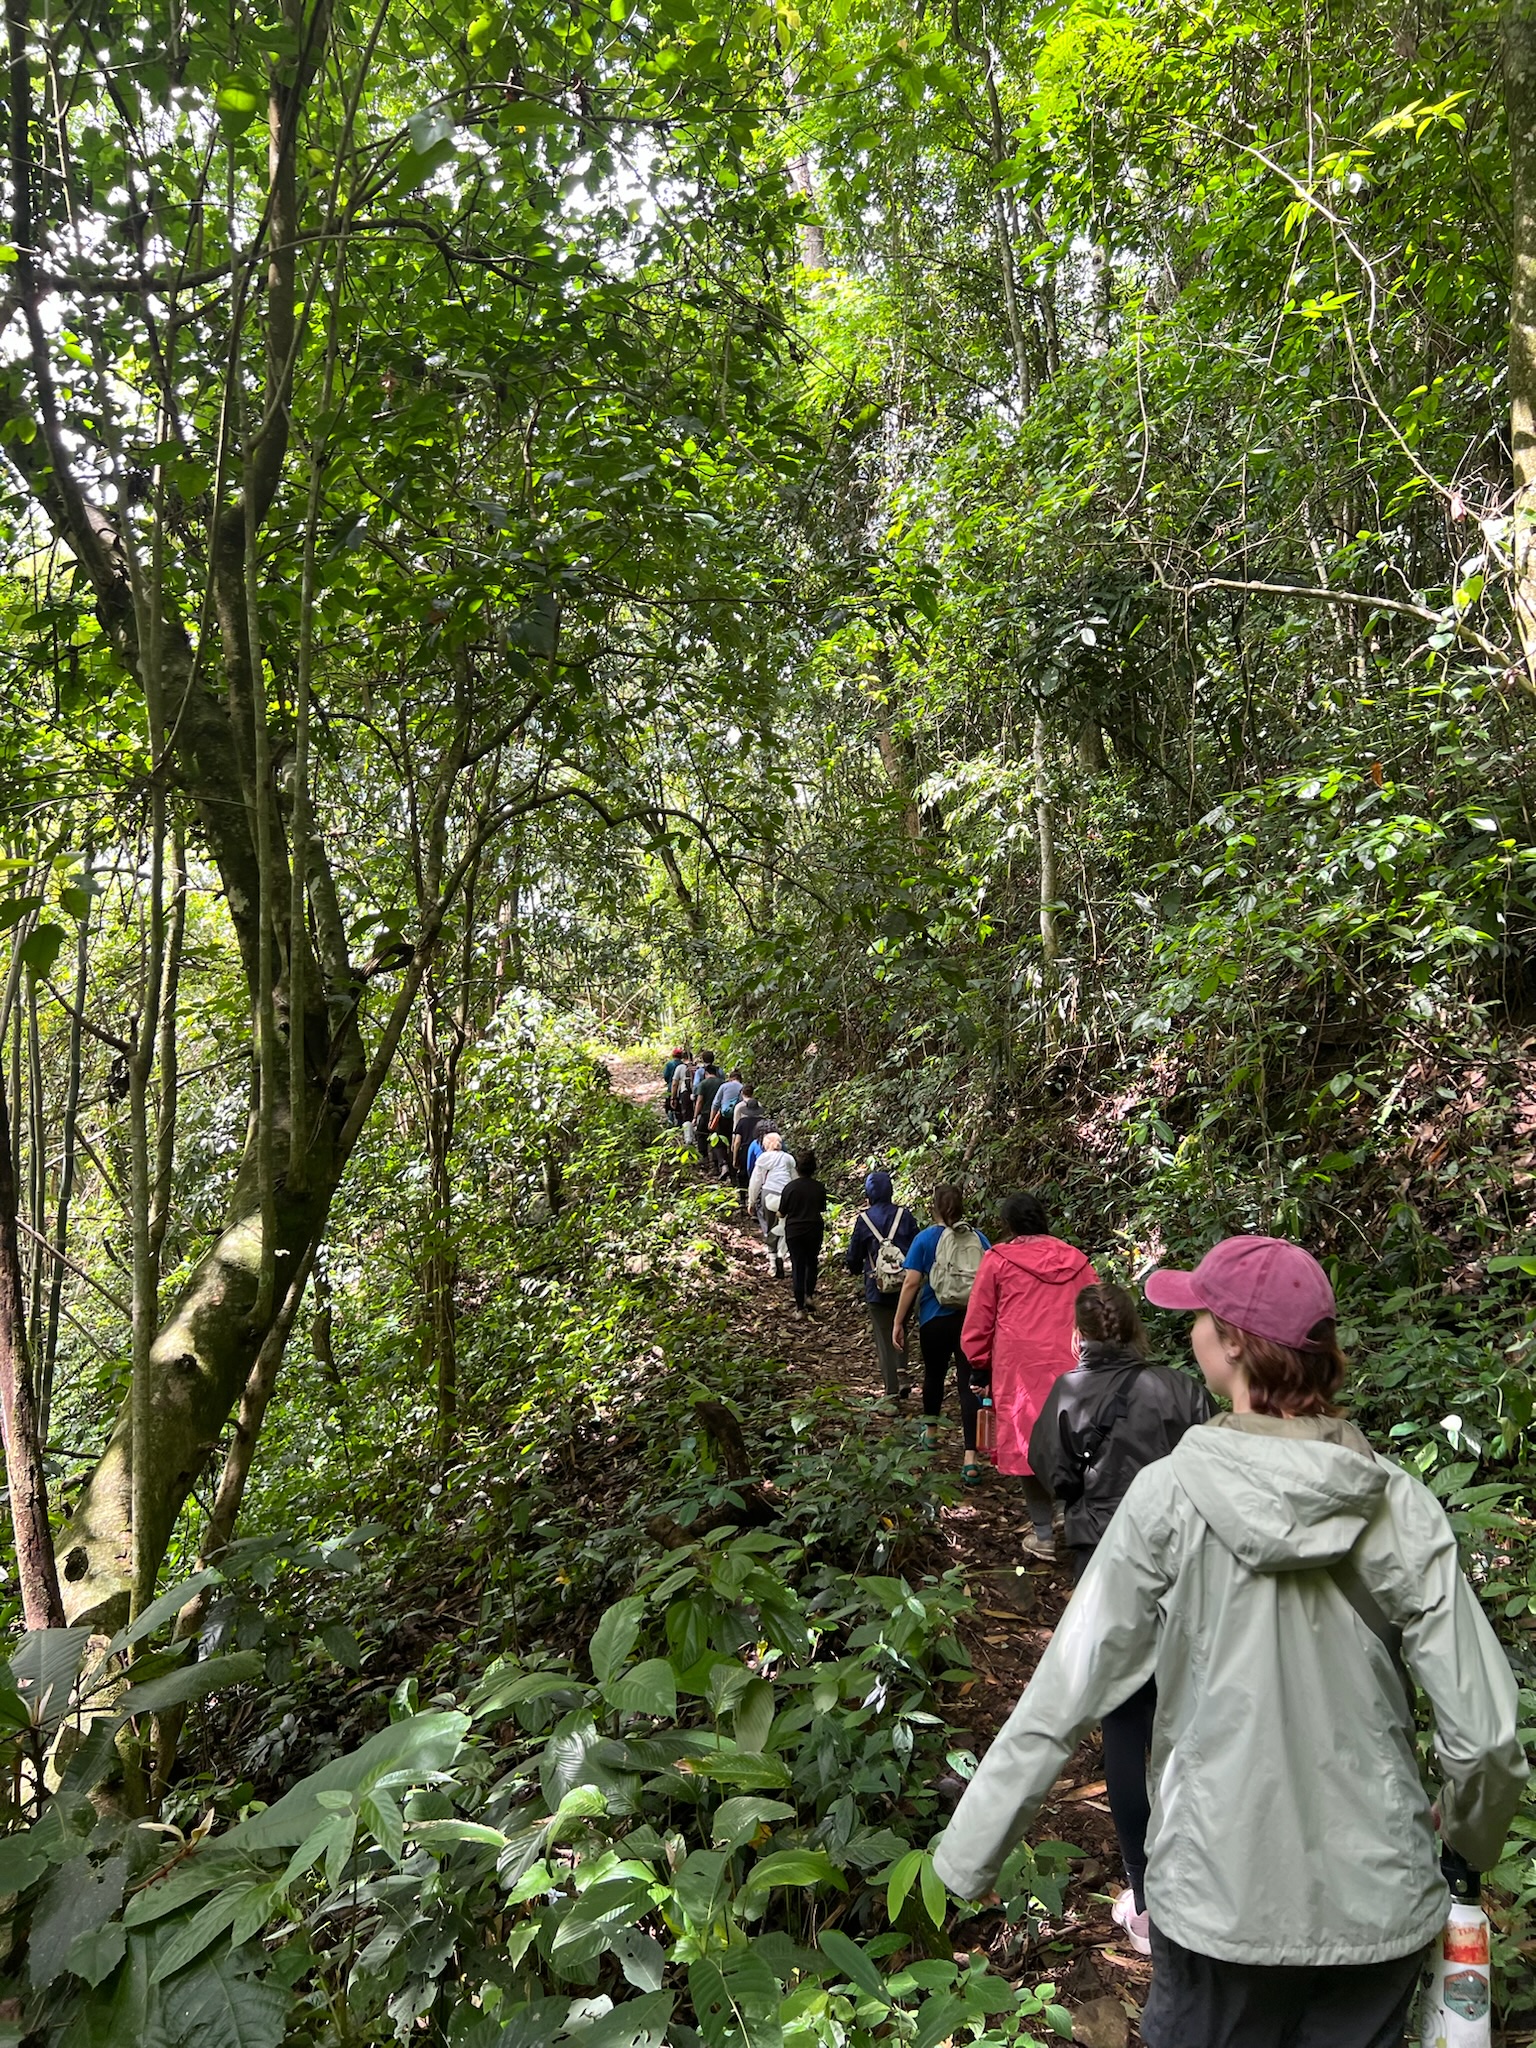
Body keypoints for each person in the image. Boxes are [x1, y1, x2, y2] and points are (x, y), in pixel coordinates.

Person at [935, 1235, 1528, 2048]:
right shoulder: (1400, 1505)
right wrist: (1464, 1842)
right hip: (1378, 1900)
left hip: (1218, 1897)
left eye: (1204, 1319)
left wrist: (964, 1857)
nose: (1194, 1333)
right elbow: (1487, 1737)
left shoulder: (1167, 1498)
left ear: (1236, 1348)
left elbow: (1067, 1688)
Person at [1027, 1282, 1212, 1954]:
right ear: (1135, 1330)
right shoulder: (1181, 1390)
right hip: (1186, 1564)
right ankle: (1208, 1882)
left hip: (1103, 1566)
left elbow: (1048, 1471)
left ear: (1080, 1336)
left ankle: (1145, 1898)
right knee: (1193, 1714)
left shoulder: (1068, 1393)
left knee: (1127, 1723)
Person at [960, 1192, 1096, 1553]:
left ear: (1009, 1225)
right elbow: (1098, 1313)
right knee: (1070, 1443)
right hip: (1073, 1366)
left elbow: (979, 1320)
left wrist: (978, 1362)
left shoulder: (998, 1260)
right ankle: (1072, 1515)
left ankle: (1043, 1534)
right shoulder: (1078, 1262)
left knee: (1027, 1448)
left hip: (1018, 1368)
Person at [892, 1187, 992, 1484]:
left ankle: (932, 1432)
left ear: (933, 1207)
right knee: (968, 1385)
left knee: (934, 1375)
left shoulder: (925, 1239)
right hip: (970, 1323)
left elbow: (911, 1283)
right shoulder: (978, 1238)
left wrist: (899, 1322)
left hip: (934, 1319)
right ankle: (971, 1459)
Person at [844, 1171, 919, 1405]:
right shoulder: (904, 1216)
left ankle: (891, 1394)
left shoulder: (864, 1220)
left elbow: (854, 1256)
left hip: (877, 1286)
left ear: (868, 1195)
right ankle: (902, 1370)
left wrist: (856, 1268)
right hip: (906, 1284)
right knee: (901, 1325)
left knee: (884, 1336)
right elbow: (917, 1246)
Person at [775, 1150, 828, 1316]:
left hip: (794, 1231)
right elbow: (821, 1208)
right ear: (814, 1169)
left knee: (797, 1265)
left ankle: (799, 1307)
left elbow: (782, 1212)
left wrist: (776, 1213)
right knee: (812, 1262)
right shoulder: (819, 1187)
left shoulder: (790, 1188)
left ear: (797, 1169)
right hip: (814, 1228)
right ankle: (809, 1295)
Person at [747, 1131, 796, 1278]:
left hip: (769, 1194)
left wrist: (751, 1201)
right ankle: (783, 1255)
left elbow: (756, 1181)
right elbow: (795, 1179)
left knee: (771, 1227)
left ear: (766, 1145)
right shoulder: (788, 1158)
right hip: (787, 1195)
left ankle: (773, 1264)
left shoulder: (764, 1158)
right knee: (785, 1226)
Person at [731, 1085, 765, 1213]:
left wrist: (734, 1157)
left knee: (743, 1175)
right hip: (759, 1150)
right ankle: (756, 1204)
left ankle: (742, 1200)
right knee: (757, 1178)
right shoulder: (763, 1121)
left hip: (744, 1150)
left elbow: (737, 1141)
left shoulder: (742, 1122)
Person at [711, 1069, 744, 1180]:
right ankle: (734, 1174)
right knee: (733, 1144)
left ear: (730, 1078)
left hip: (723, 1118)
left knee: (718, 1143)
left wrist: (711, 1120)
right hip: (737, 1121)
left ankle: (723, 1165)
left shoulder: (724, 1086)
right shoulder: (742, 1088)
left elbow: (715, 1104)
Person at [693, 1056, 722, 1169]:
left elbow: (699, 1101)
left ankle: (704, 1157)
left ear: (706, 1073)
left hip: (706, 1113)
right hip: (718, 1115)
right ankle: (717, 1162)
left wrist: (695, 1116)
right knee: (717, 1137)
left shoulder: (703, 1084)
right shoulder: (722, 1083)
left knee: (701, 1134)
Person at [662, 1048, 685, 1125]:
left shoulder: (669, 1064)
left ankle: (671, 1122)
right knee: (679, 1106)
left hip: (671, 1086)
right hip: (681, 1088)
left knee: (669, 1106)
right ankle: (679, 1123)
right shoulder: (683, 1065)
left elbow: (666, 1076)